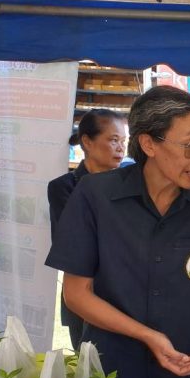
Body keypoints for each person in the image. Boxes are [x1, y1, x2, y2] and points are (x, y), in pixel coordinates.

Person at [45, 85, 190, 378]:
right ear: (149, 144)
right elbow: (76, 294)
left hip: (189, 370)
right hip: (113, 373)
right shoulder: (95, 196)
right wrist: (148, 336)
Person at [47, 109, 127, 350]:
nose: (121, 148)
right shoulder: (63, 187)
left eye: (124, 141)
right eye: (113, 140)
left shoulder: (131, 184)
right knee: (88, 365)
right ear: (87, 142)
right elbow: (73, 243)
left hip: (126, 291)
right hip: (84, 293)